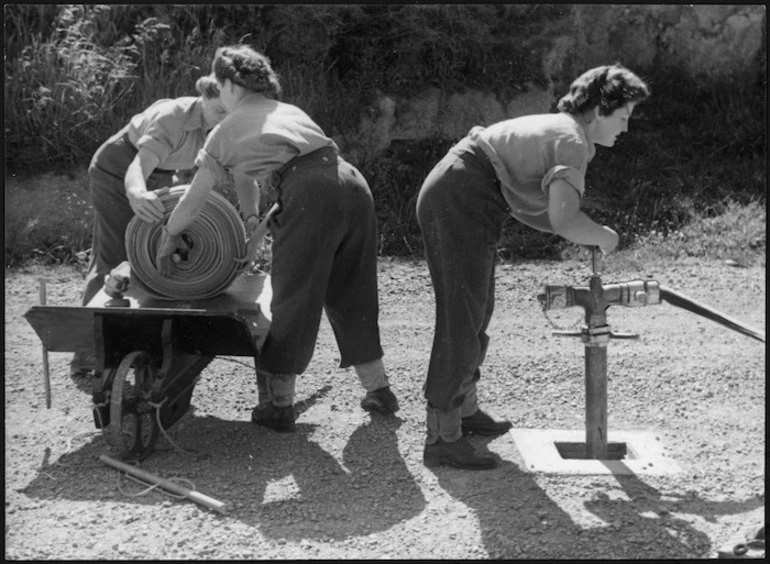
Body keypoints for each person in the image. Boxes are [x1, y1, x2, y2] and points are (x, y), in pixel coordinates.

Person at [416, 63, 651, 469]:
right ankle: (442, 436)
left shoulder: (568, 133)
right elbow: (563, 219)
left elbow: (542, 211)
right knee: (461, 315)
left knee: (477, 308)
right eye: (623, 116)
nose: (626, 128)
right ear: (598, 109)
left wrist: (582, 229)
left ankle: (464, 409)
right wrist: (602, 235)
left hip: (466, 192)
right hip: (461, 195)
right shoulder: (571, 140)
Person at [156, 45, 399, 432]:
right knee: (352, 290)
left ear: (231, 85)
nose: (219, 96)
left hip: (311, 193)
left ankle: (279, 406)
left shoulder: (227, 129)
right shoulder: (284, 112)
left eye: (219, 87)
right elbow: (246, 177)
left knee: (292, 296)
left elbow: (195, 196)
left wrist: (169, 234)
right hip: (350, 182)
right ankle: (379, 389)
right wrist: (253, 218)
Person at [69, 75, 228, 377]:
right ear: (204, 98)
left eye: (229, 111)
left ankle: (131, 340)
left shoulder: (213, 126)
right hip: (119, 170)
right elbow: (137, 168)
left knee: (145, 249)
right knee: (115, 256)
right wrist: (136, 193)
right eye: (220, 110)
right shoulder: (173, 117)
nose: (225, 117)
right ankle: (87, 352)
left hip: (159, 173)